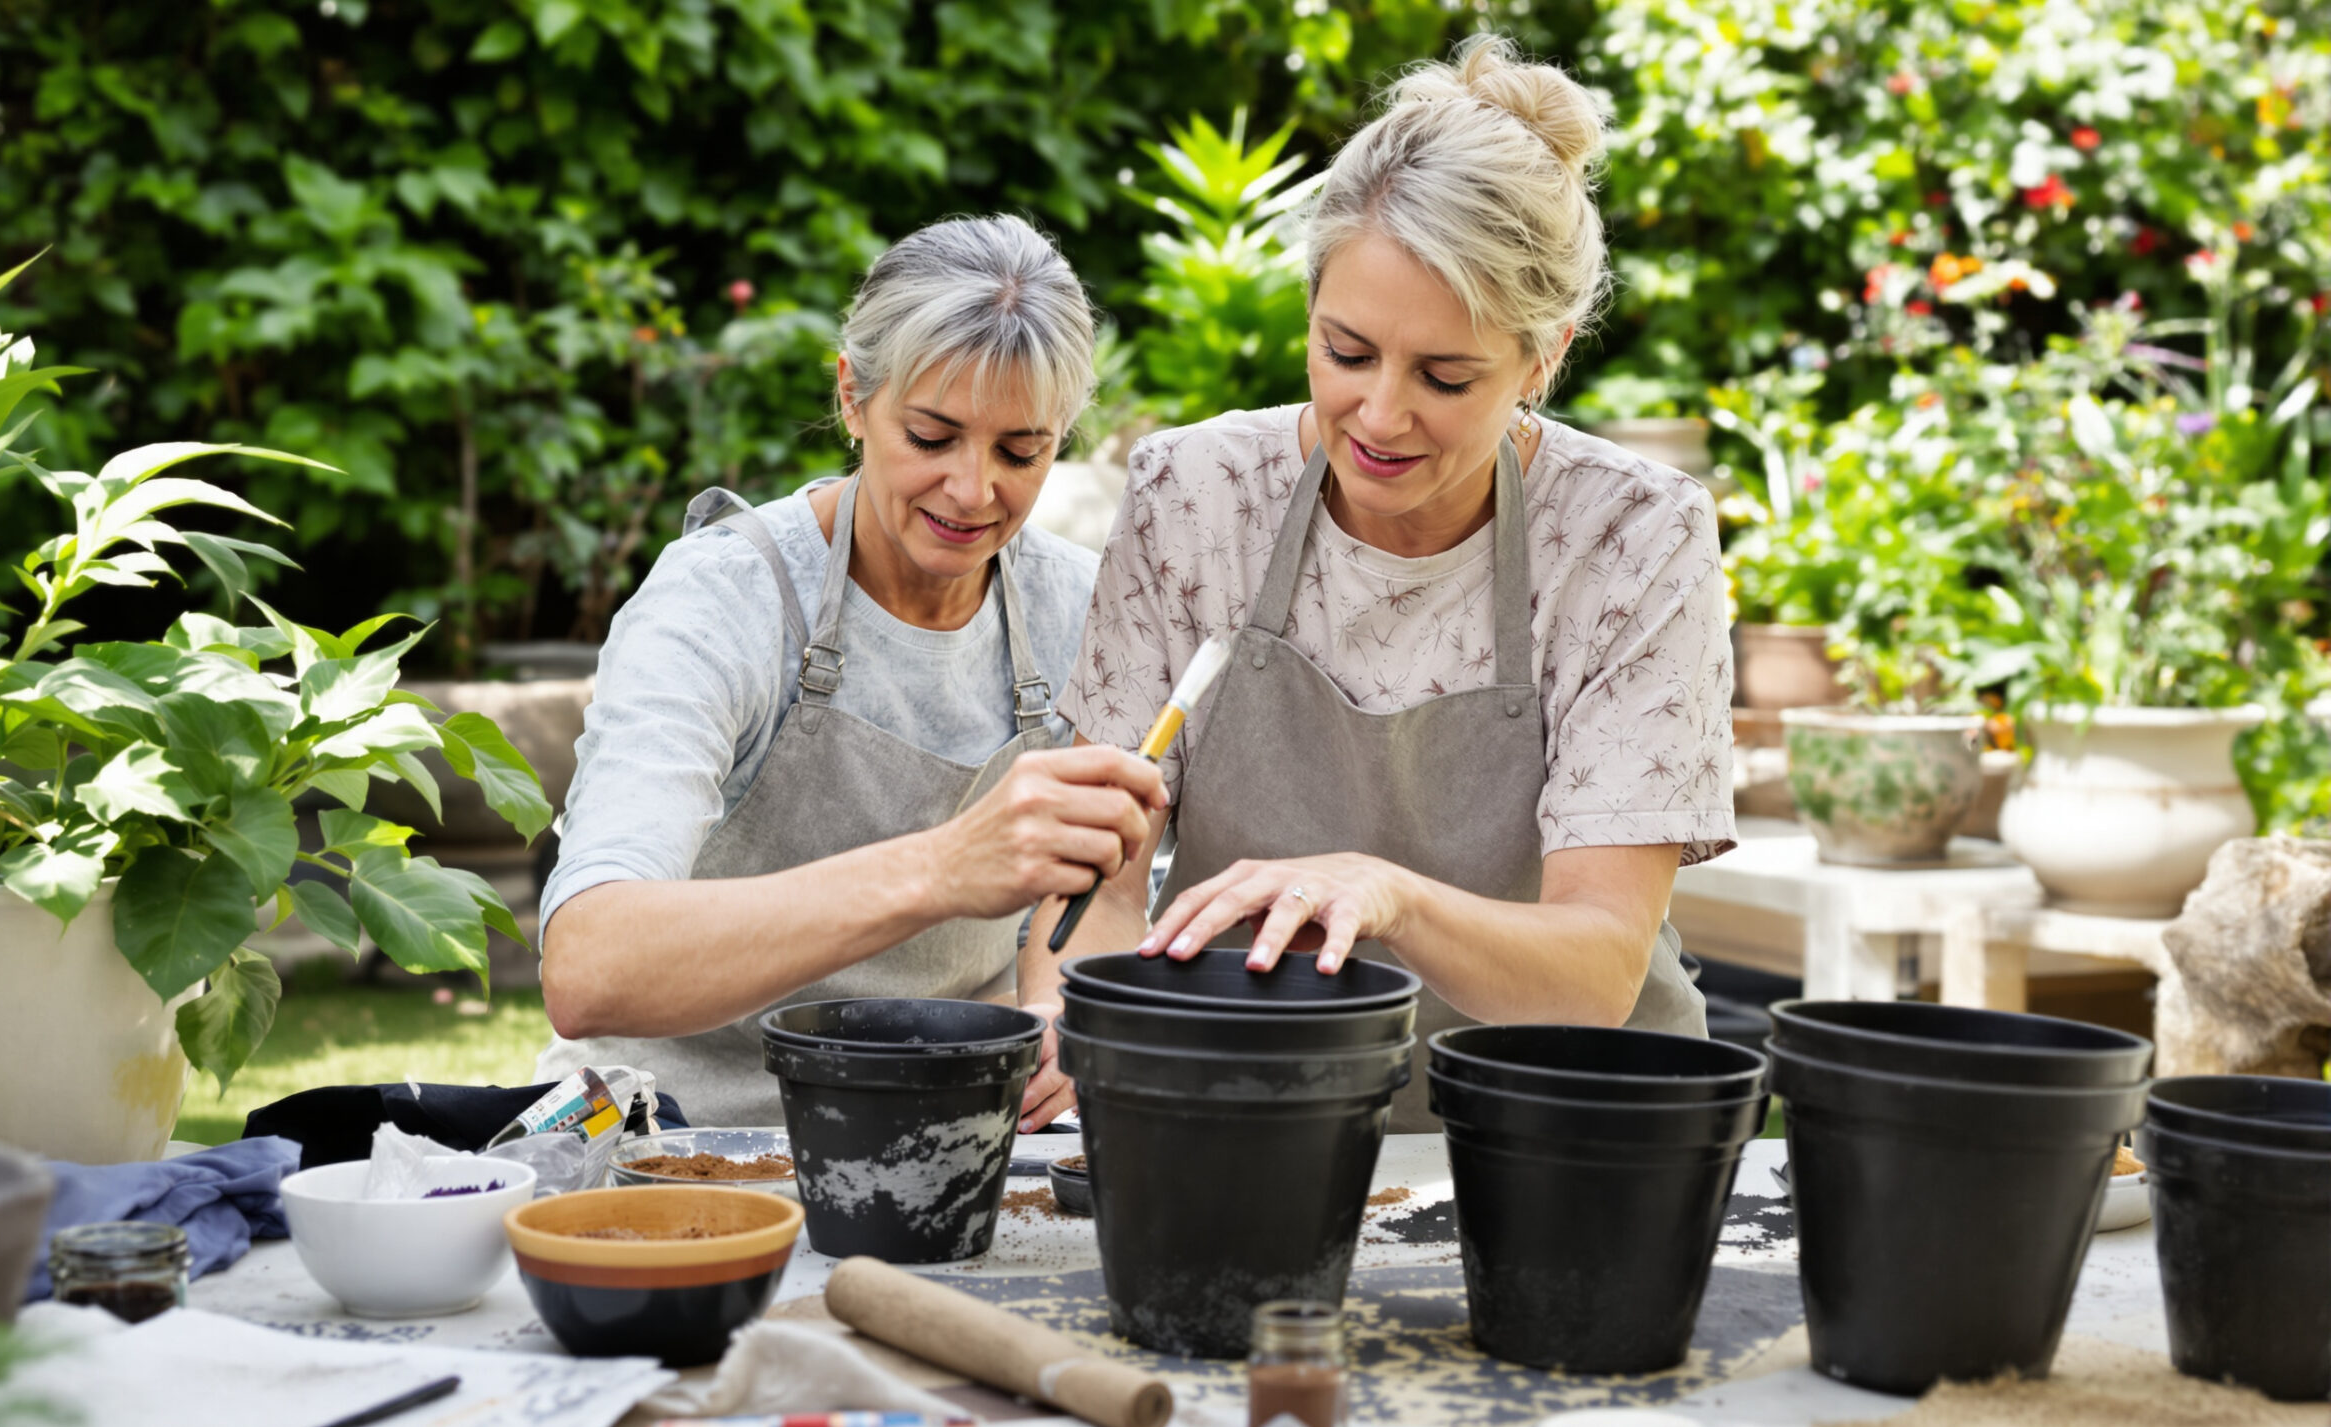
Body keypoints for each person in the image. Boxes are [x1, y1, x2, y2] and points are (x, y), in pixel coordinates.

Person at [1019, 36, 1737, 1135]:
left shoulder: (1630, 537)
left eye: (1445, 375)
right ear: (1310, 303)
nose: (1382, 415)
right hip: (1252, 1119)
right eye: (1345, 352)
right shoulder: (1197, 495)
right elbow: (1102, 874)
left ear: (1540, 358)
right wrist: (1071, 1013)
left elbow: (1592, 974)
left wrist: (1385, 892)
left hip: (1570, 1139)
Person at [537, 215, 1166, 1127]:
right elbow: (591, 967)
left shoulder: (1084, 610)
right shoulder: (723, 599)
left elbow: (1096, 901)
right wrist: (943, 868)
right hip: (663, 1126)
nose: (972, 489)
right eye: (932, 435)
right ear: (853, 398)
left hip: (939, 1128)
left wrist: (1063, 1014)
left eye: (1020, 450)